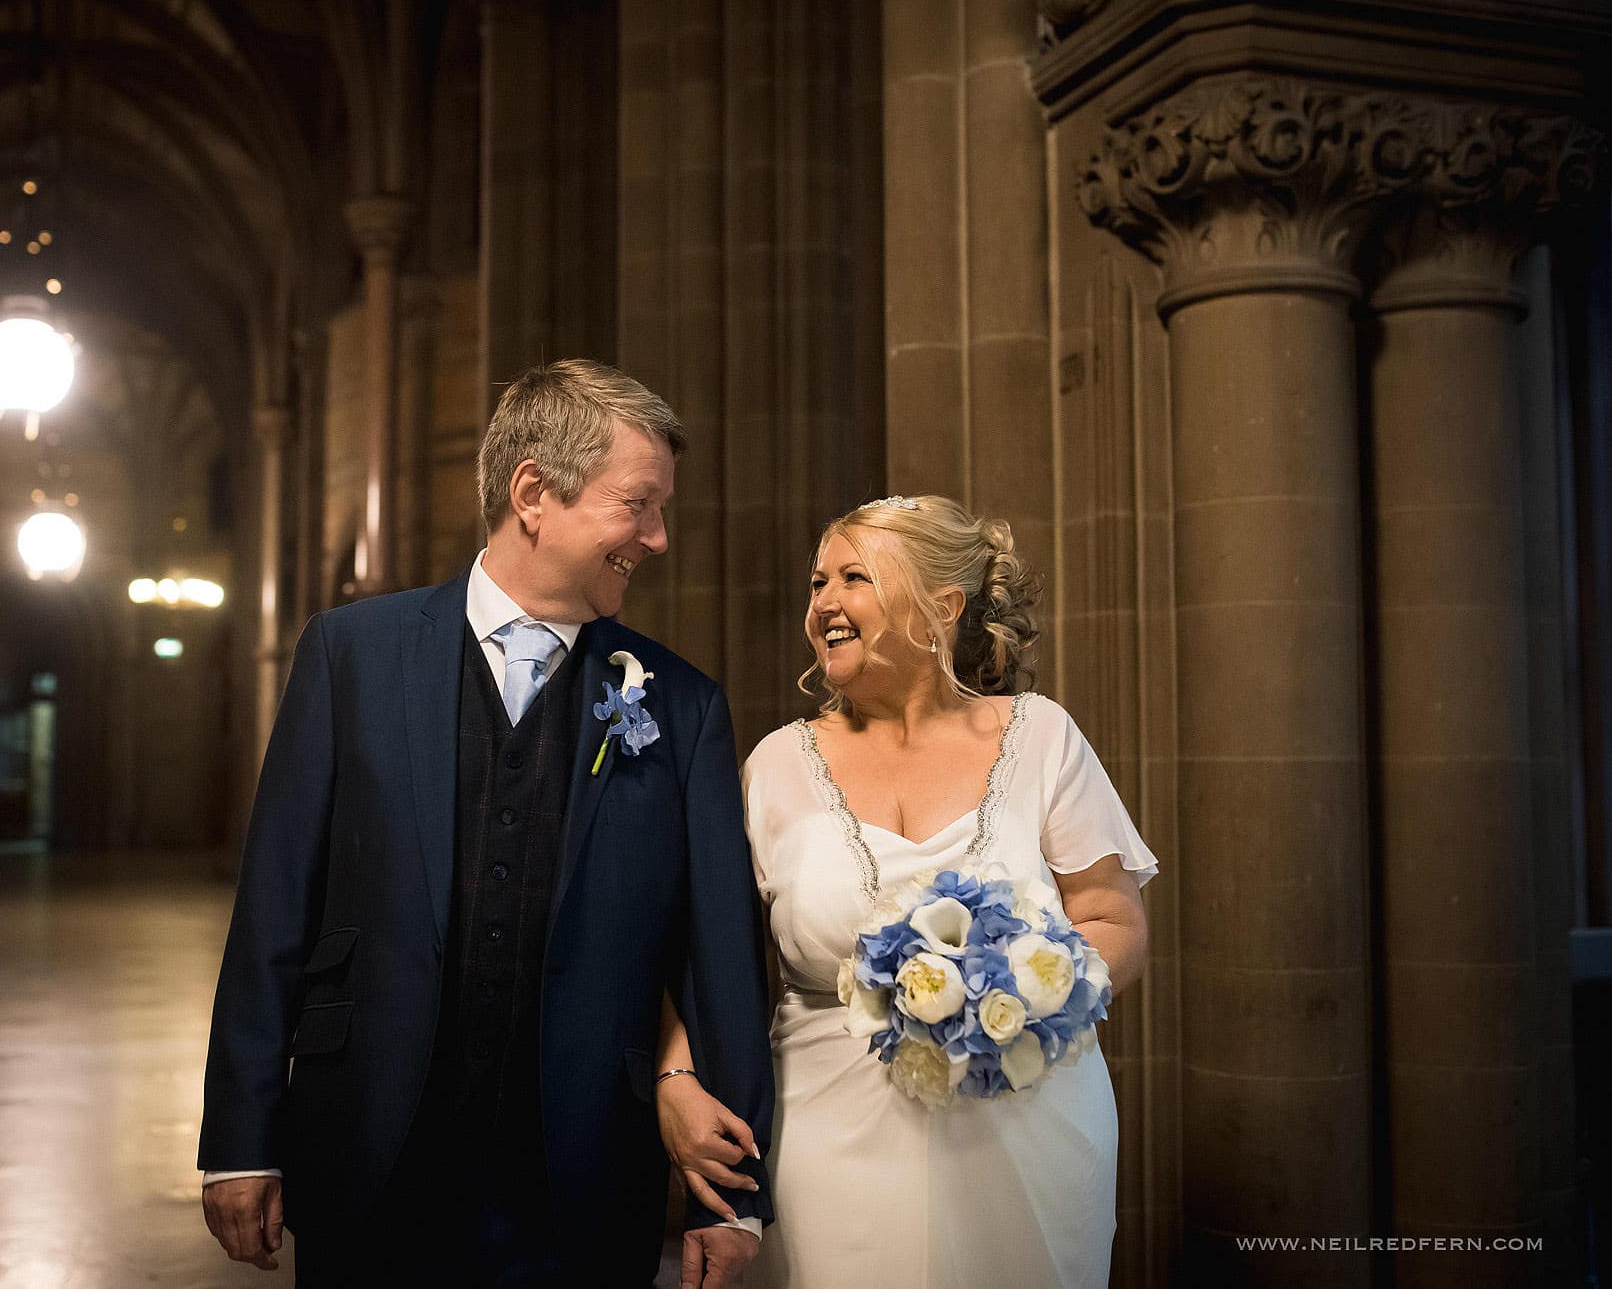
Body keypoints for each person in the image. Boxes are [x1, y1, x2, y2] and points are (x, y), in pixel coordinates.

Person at [198, 360, 774, 1287]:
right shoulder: (352, 656)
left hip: (583, 1175)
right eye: (639, 505)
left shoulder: (683, 706)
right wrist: (238, 1140)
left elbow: (717, 955)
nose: (658, 538)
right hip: (369, 1151)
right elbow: (274, 910)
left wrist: (738, 1195)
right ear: (534, 493)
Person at [653, 495, 1155, 1287]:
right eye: (818, 582)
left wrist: (1015, 997)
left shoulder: (1042, 737)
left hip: (1024, 1123)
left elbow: (1112, 920)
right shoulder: (777, 765)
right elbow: (710, 952)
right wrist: (675, 1078)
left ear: (941, 608)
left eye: (854, 577)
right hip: (828, 1126)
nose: (824, 603)